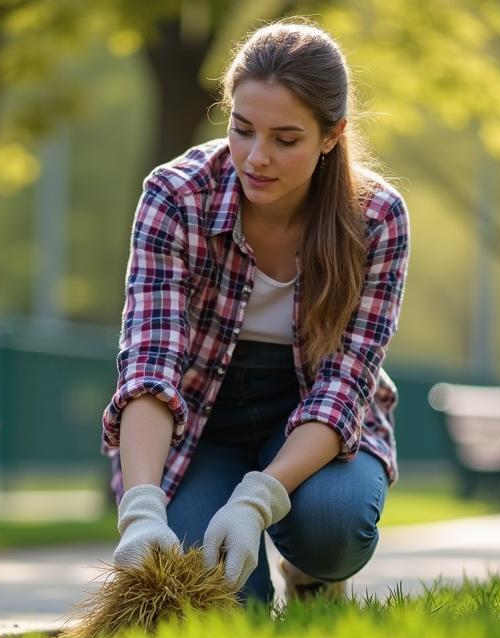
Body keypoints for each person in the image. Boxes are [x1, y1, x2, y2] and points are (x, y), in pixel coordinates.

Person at [101, 20, 410, 605]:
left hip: (312, 417)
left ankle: (311, 573)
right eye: (242, 130)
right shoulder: (175, 196)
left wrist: (256, 499)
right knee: (213, 598)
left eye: (285, 139)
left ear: (331, 135)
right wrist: (141, 510)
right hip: (197, 425)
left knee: (332, 530)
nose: (257, 158)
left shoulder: (377, 219)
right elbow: (150, 361)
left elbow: (344, 386)